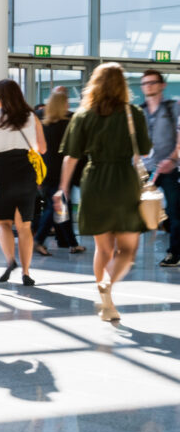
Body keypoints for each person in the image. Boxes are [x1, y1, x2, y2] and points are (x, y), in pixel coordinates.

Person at [59, 63, 151, 322]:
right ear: (122, 85)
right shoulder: (133, 113)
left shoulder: (83, 115)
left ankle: (106, 302)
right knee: (128, 250)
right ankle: (107, 284)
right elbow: (143, 150)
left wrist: (63, 188)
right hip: (124, 182)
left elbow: (71, 156)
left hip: (95, 182)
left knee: (103, 248)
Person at [0, 79, 47, 287]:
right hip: (25, 172)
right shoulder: (31, 117)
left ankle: (10, 260)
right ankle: (26, 272)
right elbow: (43, 148)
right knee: (25, 226)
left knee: (3, 222)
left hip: (1, 171)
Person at [34, 87, 83, 257]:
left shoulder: (41, 119)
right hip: (62, 172)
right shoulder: (70, 120)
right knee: (56, 207)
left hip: (45, 170)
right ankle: (39, 240)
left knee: (62, 207)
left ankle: (69, 242)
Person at [140, 70, 180, 267]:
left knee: (175, 212)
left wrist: (172, 159)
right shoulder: (140, 111)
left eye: (153, 82)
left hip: (169, 169)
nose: (148, 86)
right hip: (144, 170)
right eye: (145, 83)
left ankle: (174, 253)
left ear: (162, 85)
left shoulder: (173, 108)